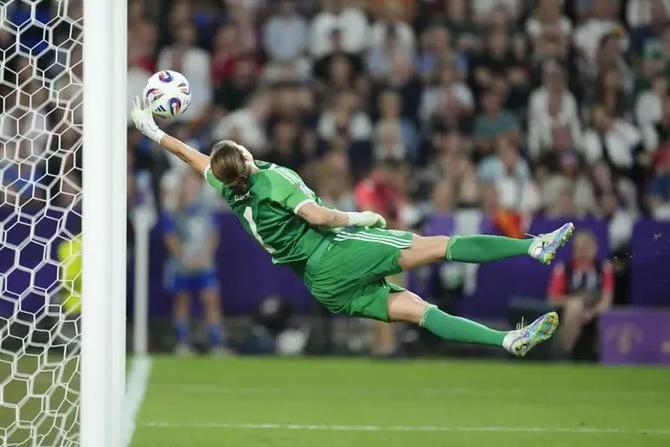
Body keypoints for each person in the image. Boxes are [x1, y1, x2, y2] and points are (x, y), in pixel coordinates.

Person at [132, 97, 575, 357]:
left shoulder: (226, 186)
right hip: (334, 250)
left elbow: (194, 158)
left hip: (320, 285)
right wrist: (361, 217)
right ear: (245, 156)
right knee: (439, 245)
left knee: (421, 311)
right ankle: (531, 249)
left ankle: (507, 339)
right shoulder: (272, 178)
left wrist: (153, 132)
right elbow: (317, 216)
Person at [162, 169, 226, 355]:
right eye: (189, 182)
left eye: (195, 183)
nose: (192, 186)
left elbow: (214, 234)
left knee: (211, 299)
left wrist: (205, 256)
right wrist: (184, 257)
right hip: (182, 265)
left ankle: (216, 344)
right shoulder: (174, 210)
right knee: (182, 301)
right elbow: (169, 237)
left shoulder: (207, 208)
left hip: (205, 263)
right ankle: (183, 344)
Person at [547, 230, 614, 358]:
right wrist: (574, 302)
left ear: (595, 248)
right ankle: (565, 351)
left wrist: (591, 312)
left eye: (587, 247)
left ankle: (597, 356)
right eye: (580, 248)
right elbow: (553, 299)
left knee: (590, 311)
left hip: (595, 310)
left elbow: (606, 300)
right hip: (567, 311)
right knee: (575, 306)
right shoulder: (563, 269)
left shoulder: (604, 268)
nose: (583, 251)